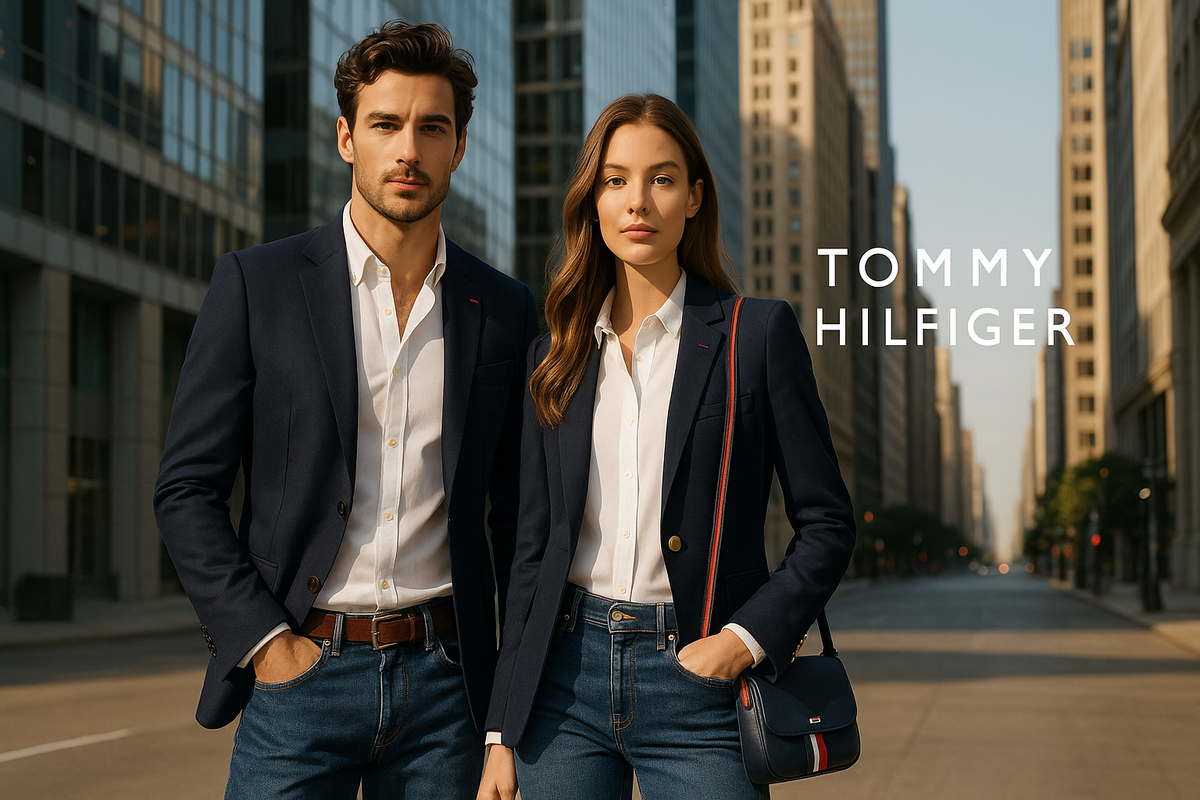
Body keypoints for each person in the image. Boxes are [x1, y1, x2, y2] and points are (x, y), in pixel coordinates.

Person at [154, 20, 537, 800]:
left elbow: (521, 521)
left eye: (432, 129)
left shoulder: (503, 310)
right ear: (345, 138)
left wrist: (505, 712)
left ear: (460, 147)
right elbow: (186, 489)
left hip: (445, 687)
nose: (409, 151)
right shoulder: (256, 285)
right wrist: (267, 647)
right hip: (300, 674)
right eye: (386, 125)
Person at [476, 94, 857, 800]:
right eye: (616, 180)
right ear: (593, 202)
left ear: (694, 198)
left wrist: (741, 640)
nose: (637, 201)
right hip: (564, 682)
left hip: (700, 684)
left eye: (662, 178)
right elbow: (531, 551)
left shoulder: (756, 335)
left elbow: (828, 523)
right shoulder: (553, 356)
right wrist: (502, 732)